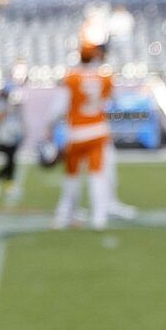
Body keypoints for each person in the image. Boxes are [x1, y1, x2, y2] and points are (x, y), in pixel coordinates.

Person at [53, 43, 114, 230]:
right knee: (97, 175)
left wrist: (50, 126)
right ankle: (99, 218)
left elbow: (60, 106)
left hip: (77, 132)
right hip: (98, 130)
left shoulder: (72, 77)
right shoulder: (104, 77)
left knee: (72, 175)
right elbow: (108, 101)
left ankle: (67, 214)